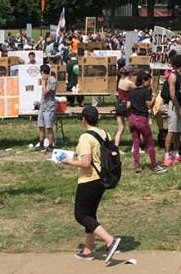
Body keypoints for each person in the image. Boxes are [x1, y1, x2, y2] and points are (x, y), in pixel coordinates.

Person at [63, 106, 122, 262]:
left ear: (84, 120)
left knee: (81, 215)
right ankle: (88, 250)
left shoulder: (85, 138)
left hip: (88, 180)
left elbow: (85, 163)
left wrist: (69, 162)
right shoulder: (104, 133)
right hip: (102, 179)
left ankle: (110, 240)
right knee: (90, 214)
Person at [127, 71, 166, 174]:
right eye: (149, 80)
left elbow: (128, 105)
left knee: (136, 143)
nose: (150, 83)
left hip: (132, 119)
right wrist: (154, 96)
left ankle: (137, 166)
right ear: (144, 81)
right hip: (142, 120)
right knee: (150, 143)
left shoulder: (132, 91)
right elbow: (149, 105)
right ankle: (154, 165)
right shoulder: (146, 91)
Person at [164, 54, 181, 165]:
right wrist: (179, 109)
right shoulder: (173, 76)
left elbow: (180, 93)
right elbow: (172, 95)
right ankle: (166, 155)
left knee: (179, 131)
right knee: (171, 131)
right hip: (174, 106)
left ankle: (176, 153)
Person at [35, 63, 57, 152]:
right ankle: (41, 144)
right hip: (42, 106)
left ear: (43, 72)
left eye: (41, 72)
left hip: (49, 107)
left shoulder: (52, 81)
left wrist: (43, 82)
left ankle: (51, 145)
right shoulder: (44, 80)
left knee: (49, 126)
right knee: (41, 125)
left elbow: (45, 92)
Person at [113, 66, 134, 147]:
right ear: (130, 73)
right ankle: (135, 146)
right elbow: (138, 90)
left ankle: (116, 146)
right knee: (134, 128)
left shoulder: (120, 80)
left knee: (120, 128)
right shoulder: (129, 83)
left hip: (119, 104)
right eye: (132, 72)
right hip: (127, 106)